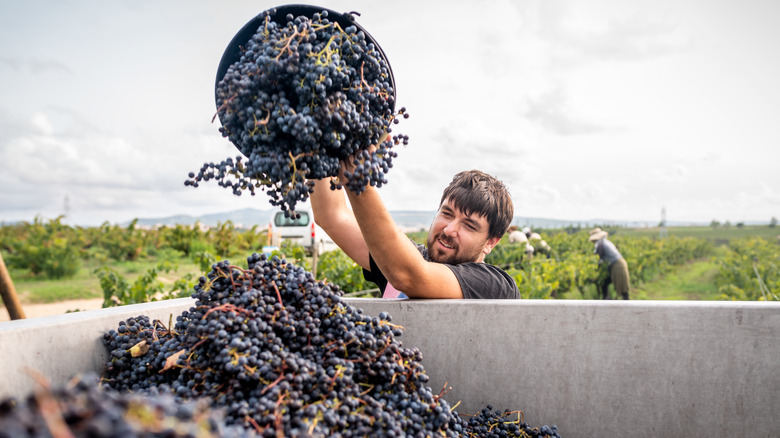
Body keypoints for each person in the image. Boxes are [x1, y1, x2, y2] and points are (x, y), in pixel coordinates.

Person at [311, 166, 521, 299]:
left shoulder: (496, 287)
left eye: (469, 226)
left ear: (490, 243)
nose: (449, 230)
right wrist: (323, 145)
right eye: (447, 214)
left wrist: (356, 176)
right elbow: (332, 215)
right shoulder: (403, 258)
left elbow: (409, 276)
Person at [589, 228, 630, 300]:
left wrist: (593, 273)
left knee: (621, 286)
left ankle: (625, 304)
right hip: (619, 263)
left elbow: (598, 258)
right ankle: (607, 299)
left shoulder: (601, 244)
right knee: (606, 282)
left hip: (617, 265)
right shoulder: (605, 242)